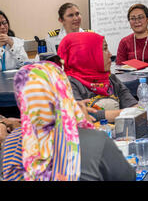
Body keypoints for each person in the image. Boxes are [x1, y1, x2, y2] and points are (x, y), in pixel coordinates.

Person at [1, 62, 135, 181]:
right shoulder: (95, 140)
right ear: (64, 91)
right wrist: (86, 126)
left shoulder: (11, 142)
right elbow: (128, 177)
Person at [57, 31, 148, 123]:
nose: (109, 54)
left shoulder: (110, 79)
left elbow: (130, 104)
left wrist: (145, 110)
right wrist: (126, 113)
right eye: (104, 49)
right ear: (86, 54)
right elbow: (81, 114)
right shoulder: (69, 84)